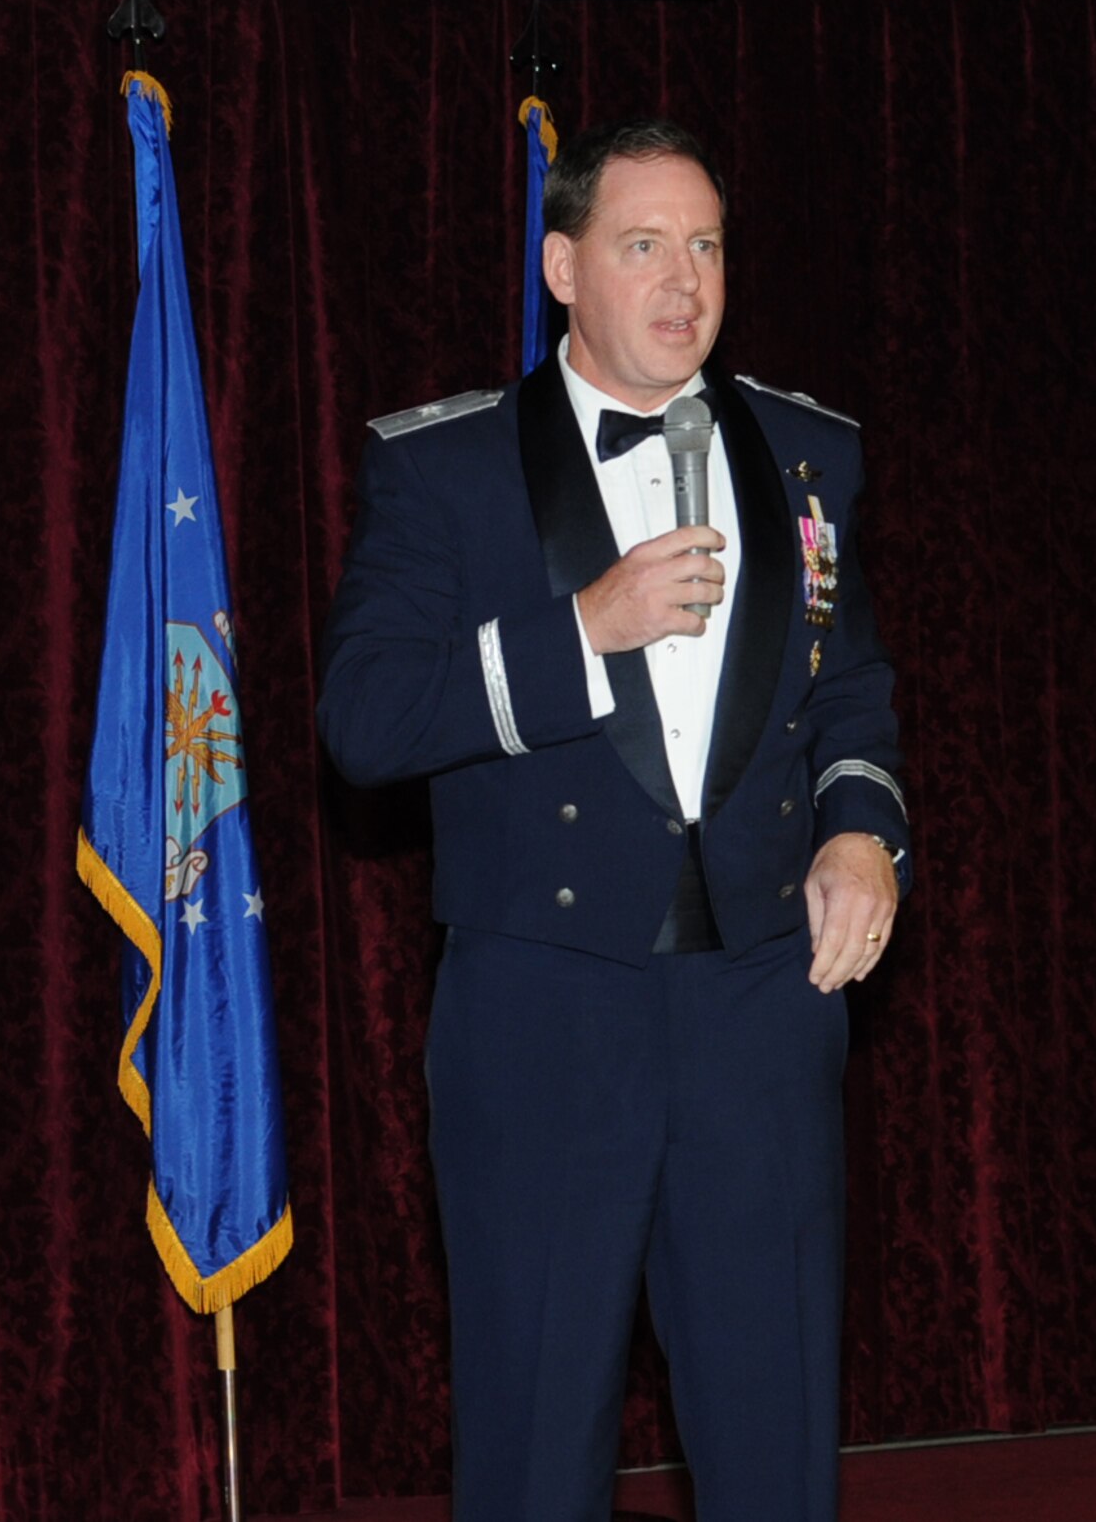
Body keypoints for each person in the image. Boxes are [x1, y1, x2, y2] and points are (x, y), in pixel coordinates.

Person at [317, 117, 908, 1522]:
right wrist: (585, 631)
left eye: (705, 245)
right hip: (543, 1010)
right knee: (533, 1445)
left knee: (776, 1444)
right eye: (645, 245)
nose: (683, 280)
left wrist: (860, 834)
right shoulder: (446, 469)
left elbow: (856, 692)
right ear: (564, 266)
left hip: (764, 1004)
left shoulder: (810, 451)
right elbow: (364, 722)